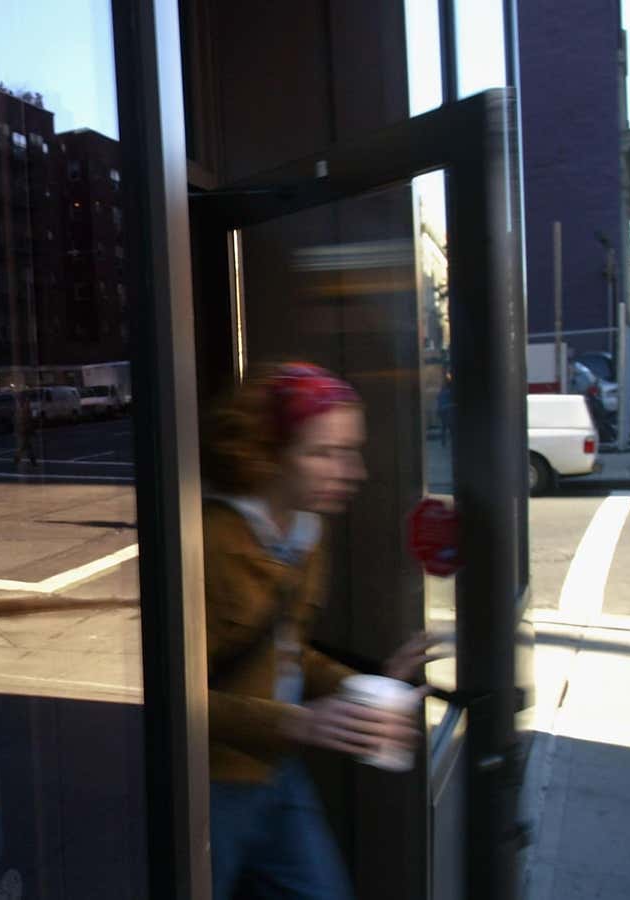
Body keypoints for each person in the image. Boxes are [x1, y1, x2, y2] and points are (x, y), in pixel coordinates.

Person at [202, 363, 435, 900]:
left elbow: (285, 652)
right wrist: (300, 724)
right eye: (324, 453)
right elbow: (167, 693)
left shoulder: (308, 530)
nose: (352, 472)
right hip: (213, 783)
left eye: (351, 451)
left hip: (275, 770)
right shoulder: (210, 541)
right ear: (269, 454)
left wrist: (368, 683)